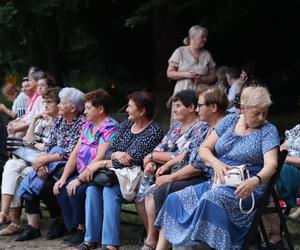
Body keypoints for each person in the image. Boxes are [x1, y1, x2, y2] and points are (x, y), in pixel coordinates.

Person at [155, 86, 280, 250]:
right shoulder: (229, 121)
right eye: (257, 113)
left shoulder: (268, 130)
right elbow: (204, 149)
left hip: (245, 188)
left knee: (211, 199)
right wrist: (216, 163)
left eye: (265, 112)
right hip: (218, 182)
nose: (262, 117)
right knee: (174, 199)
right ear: (242, 108)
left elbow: (272, 164)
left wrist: (255, 181)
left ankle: (203, 244)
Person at [141, 87, 228, 250]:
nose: (196, 108)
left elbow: (199, 166)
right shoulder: (205, 128)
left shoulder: (220, 130)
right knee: (160, 190)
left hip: (206, 178)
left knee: (163, 190)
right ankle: (163, 241)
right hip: (193, 173)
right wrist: (167, 165)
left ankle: (166, 241)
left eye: (200, 105)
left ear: (213, 107)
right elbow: (187, 153)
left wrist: (171, 177)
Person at [78, 91, 163, 250]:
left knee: (109, 191)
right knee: (92, 189)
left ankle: (110, 244)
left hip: (138, 178)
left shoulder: (154, 130)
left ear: (142, 110)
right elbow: (111, 151)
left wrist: (101, 164)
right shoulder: (126, 125)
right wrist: (116, 154)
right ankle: (91, 240)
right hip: (118, 176)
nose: (127, 110)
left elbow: (132, 159)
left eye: (130, 106)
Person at [14, 87, 86, 241]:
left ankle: (60, 221)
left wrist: (46, 160)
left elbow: (72, 152)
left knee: (44, 185)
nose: (59, 105)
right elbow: (48, 145)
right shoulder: (60, 121)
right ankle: (33, 227)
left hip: (71, 167)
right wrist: (41, 163)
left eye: (62, 103)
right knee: (33, 177)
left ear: (73, 108)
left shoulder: (82, 124)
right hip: (53, 164)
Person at [52, 89, 119, 246]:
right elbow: (75, 153)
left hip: (96, 173)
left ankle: (84, 230)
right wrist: (63, 178)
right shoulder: (88, 125)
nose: (85, 111)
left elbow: (100, 157)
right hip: (83, 171)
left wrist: (79, 180)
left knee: (77, 190)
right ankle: (74, 228)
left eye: (88, 108)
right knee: (61, 188)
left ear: (100, 109)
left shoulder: (110, 127)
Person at [0, 87, 60, 236]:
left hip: (44, 163)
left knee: (16, 174)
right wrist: (34, 120)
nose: (45, 105)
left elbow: (50, 147)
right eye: (44, 101)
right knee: (11, 165)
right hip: (30, 158)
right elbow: (27, 141)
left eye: (49, 102)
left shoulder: (60, 123)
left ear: (59, 105)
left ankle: (12, 220)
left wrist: (35, 144)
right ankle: (6, 213)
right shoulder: (42, 120)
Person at [167, 25, 216, 120]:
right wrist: (186, 74)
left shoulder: (206, 54)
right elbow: (170, 73)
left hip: (202, 93)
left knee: (201, 120)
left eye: (206, 37)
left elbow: (213, 76)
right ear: (193, 37)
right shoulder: (180, 52)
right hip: (182, 91)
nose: (205, 39)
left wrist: (202, 79)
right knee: (180, 119)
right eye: (202, 37)